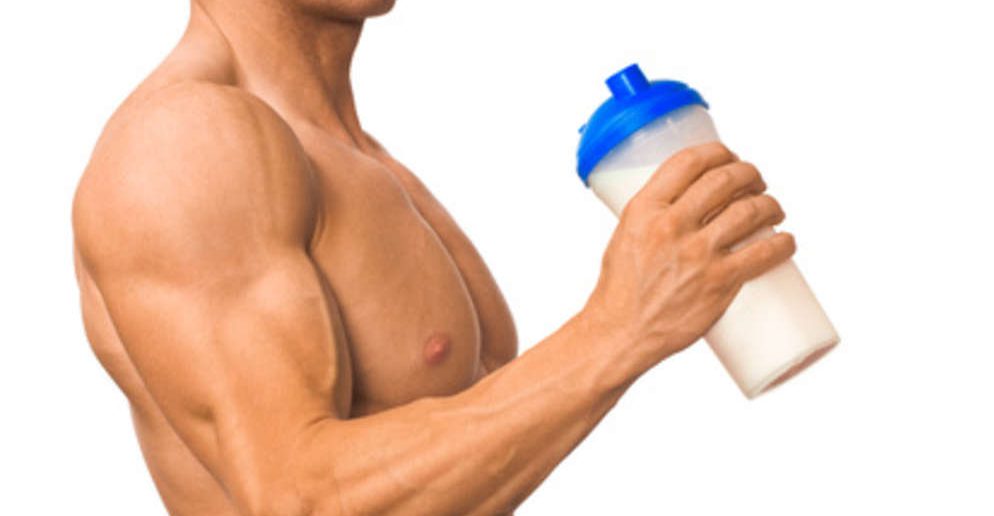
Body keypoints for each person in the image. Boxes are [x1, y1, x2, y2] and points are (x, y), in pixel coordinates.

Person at [71, 0, 795, 514]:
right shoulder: (186, 143)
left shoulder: (352, 155)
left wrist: (653, 299)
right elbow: (298, 501)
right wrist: (617, 329)